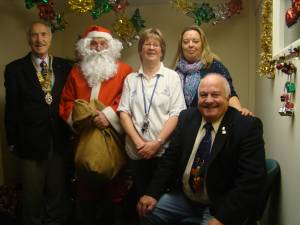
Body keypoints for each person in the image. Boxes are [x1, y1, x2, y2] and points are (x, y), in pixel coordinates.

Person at [138, 73, 266, 225]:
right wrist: (151, 193)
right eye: (203, 95)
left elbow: (250, 180)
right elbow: (169, 160)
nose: (209, 100)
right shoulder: (187, 118)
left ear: (228, 97)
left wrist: (223, 218)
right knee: (147, 211)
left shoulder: (246, 126)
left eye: (215, 95)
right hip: (185, 198)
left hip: (219, 204)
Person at [59, 24, 133, 225]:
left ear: (111, 47)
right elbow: (66, 101)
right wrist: (84, 118)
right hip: (84, 136)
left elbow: (128, 99)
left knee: (115, 186)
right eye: (94, 44)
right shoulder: (76, 72)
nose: (99, 48)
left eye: (103, 43)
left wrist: (108, 116)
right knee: (86, 187)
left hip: (113, 137)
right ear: (86, 47)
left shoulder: (125, 71)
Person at [4, 21, 72, 225]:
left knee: (57, 192)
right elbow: (12, 108)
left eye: (44, 35)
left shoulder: (64, 66)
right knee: (33, 195)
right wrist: (12, 140)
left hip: (59, 140)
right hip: (29, 141)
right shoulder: (15, 69)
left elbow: (71, 100)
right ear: (28, 39)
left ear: (50, 38)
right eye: (34, 35)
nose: (39, 39)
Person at [117, 28, 186, 199]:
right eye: (147, 44)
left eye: (156, 45)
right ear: (140, 50)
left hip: (163, 151)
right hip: (136, 151)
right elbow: (124, 111)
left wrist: (157, 142)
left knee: (160, 200)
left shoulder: (172, 77)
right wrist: (138, 142)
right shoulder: (131, 79)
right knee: (140, 196)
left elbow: (176, 113)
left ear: (162, 50)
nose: (151, 47)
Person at [174, 25, 252, 115]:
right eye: (186, 42)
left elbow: (229, 94)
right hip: (184, 124)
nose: (190, 45)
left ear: (202, 44)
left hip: (208, 121)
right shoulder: (176, 71)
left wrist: (240, 112)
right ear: (181, 46)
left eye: (195, 41)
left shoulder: (214, 66)